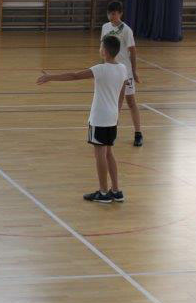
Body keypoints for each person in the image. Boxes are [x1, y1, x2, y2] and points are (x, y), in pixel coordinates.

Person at [36, 35, 128, 203]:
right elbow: (122, 92)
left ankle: (103, 192)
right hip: (112, 117)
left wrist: (50, 77)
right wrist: (117, 111)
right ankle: (116, 190)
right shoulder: (122, 69)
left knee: (100, 154)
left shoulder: (100, 69)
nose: (99, 49)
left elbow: (74, 75)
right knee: (109, 153)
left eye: (101, 47)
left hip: (99, 118)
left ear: (105, 51)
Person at [101, 0, 143, 146]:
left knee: (130, 102)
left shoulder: (126, 30)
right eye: (109, 13)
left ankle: (138, 133)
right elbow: (102, 48)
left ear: (120, 13)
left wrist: (134, 71)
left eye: (114, 13)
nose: (111, 16)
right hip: (110, 71)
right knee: (113, 102)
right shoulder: (105, 27)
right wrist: (103, 67)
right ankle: (111, 132)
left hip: (124, 72)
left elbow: (133, 51)